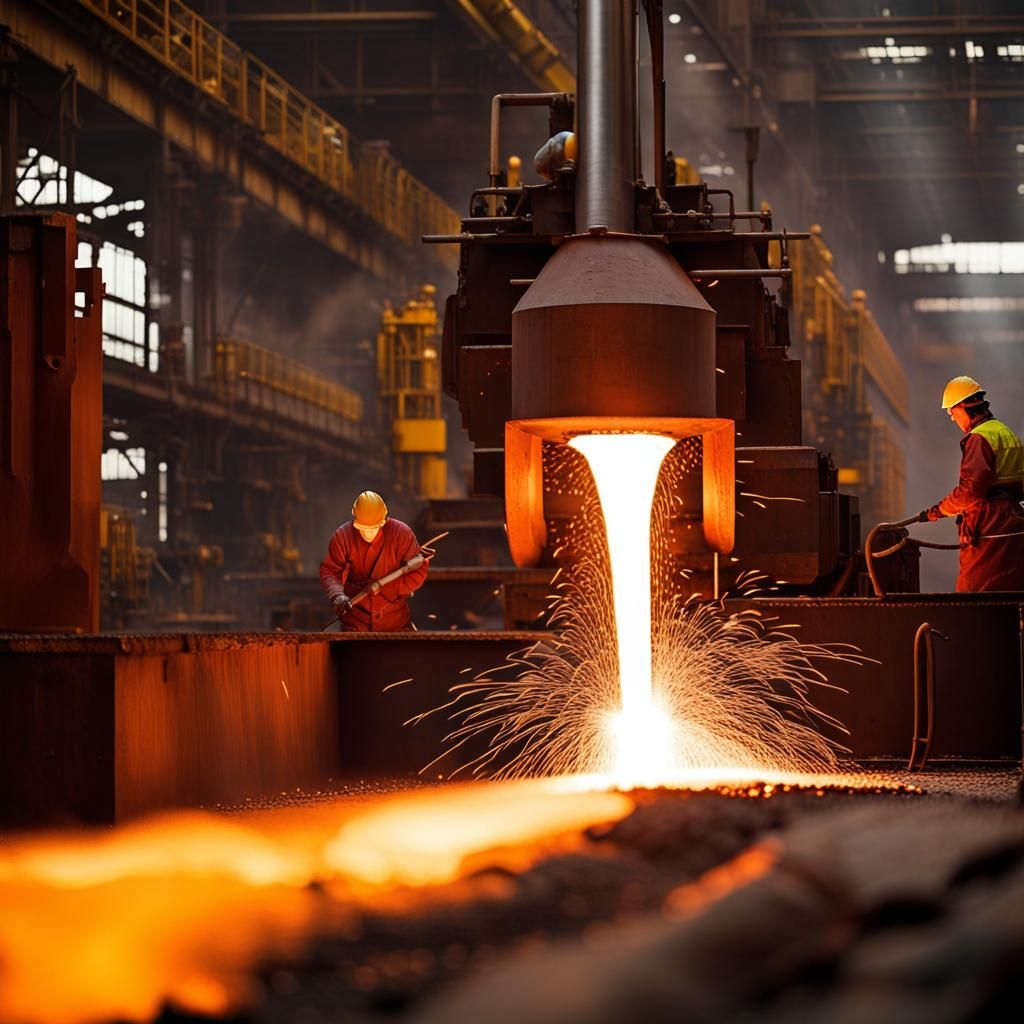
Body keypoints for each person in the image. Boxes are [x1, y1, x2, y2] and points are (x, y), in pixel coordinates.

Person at [919, 377, 1024, 592]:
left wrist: (937, 511)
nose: (953, 418)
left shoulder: (979, 438)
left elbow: (970, 492)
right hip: (1014, 525)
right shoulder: (1005, 432)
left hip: (989, 527)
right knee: (1009, 594)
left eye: (952, 412)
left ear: (963, 407)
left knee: (973, 595)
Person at [319, 490, 428, 631]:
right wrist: (337, 595)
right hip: (356, 622)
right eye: (362, 528)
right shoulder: (343, 536)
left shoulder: (400, 533)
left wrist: (387, 588)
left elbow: (418, 571)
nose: (368, 533)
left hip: (394, 622)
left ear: (384, 521)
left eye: (374, 528)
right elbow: (330, 571)